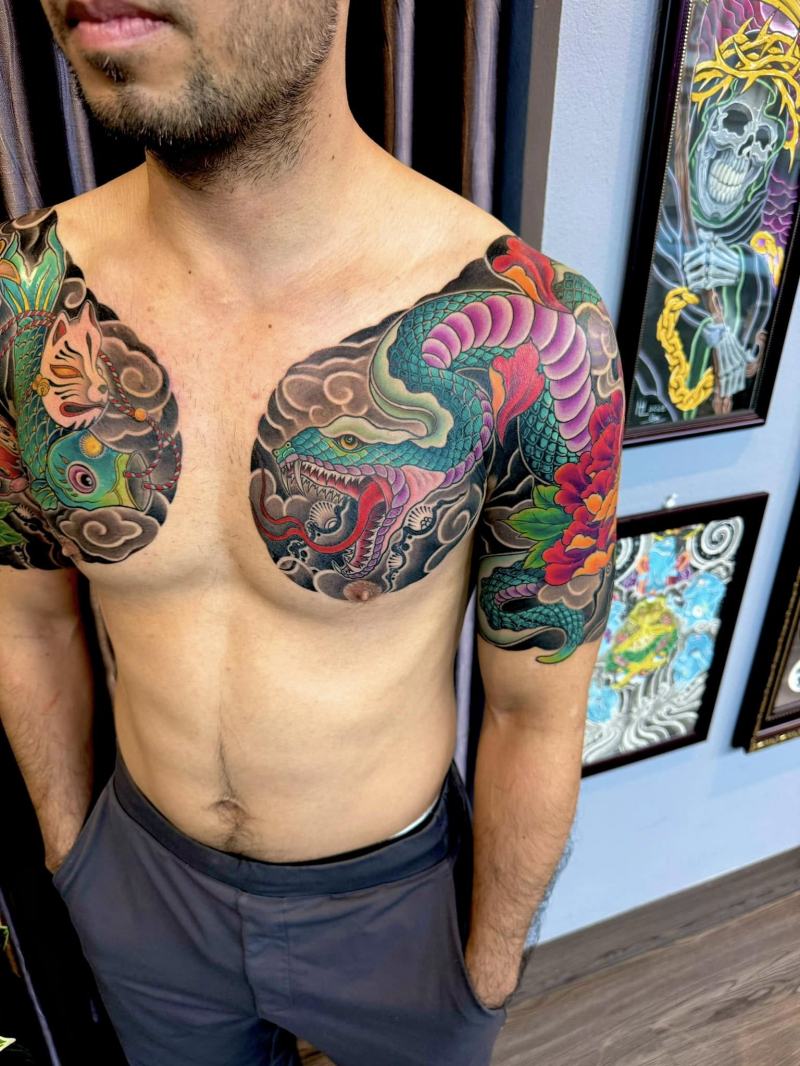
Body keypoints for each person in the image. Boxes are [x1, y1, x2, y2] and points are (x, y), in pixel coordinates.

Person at [0, 1, 625, 1063]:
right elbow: (27, 621)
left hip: (397, 915)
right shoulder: (23, 298)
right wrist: (77, 858)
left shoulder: (536, 335)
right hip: (142, 883)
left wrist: (485, 973)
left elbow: (535, 710)